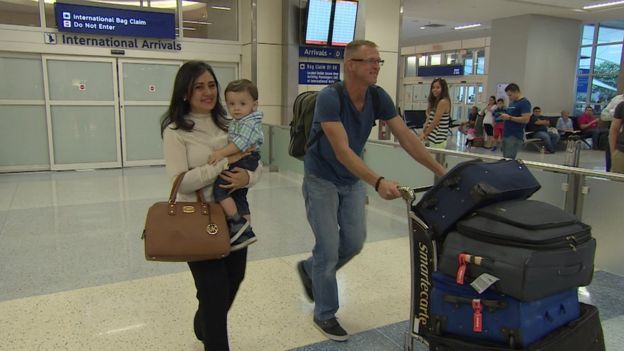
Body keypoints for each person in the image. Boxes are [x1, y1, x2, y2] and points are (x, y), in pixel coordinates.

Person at [296, 40, 446, 342]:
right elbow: (342, 150)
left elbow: (406, 137)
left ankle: (310, 269)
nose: (376, 66)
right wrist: (377, 182)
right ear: (350, 65)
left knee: (353, 242)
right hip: (321, 178)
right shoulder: (330, 98)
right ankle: (325, 313)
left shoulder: (378, 97)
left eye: (379, 61)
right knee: (328, 247)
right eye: (369, 61)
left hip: (350, 180)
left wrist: (442, 172)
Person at [160, 61, 262, 351]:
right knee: (214, 291)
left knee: (234, 278)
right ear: (185, 93)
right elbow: (181, 182)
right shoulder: (177, 132)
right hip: (198, 222)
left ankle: (203, 320)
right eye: (198, 87)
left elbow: (257, 162)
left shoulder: (233, 123)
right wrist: (225, 163)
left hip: (234, 218)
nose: (207, 92)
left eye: (211, 85)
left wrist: (248, 176)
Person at [208, 79, 263, 250]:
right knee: (239, 195)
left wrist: (221, 153)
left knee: (220, 188)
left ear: (254, 105)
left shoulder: (249, 122)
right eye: (231, 104)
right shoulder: (239, 121)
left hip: (247, 159)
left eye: (242, 103)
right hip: (246, 159)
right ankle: (247, 229)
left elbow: (240, 143)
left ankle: (237, 222)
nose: (236, 108)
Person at [500, 83, 531, 159]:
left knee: (509, 159)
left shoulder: (524, 103)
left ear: (516, 91)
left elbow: (526, 119)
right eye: (508, 95)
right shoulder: (513, 102)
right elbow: (510, 115)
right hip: (507, 133)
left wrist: (509, 118)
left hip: (514, 135)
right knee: (505, 158)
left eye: (510, 95)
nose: (509, 97)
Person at [421, 78, 452, 149]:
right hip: (431, 138)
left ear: (443, 89)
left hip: (437, 140)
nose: (434, 90)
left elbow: (435, 122)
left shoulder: (443, 102)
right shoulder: (435, 102)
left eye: (438, 87)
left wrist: (425, 133)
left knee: (435, 160)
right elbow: (428, 119)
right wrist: (423, 131)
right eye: (433, 87)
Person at [609, 101, 624, 173]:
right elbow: (614, 130)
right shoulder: (622, 105)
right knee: (617, 183)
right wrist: (613, 153)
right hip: (622, 152)